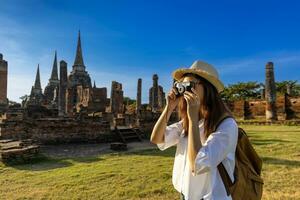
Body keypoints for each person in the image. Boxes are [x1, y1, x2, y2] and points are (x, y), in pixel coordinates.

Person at [150, 60, 238, 200]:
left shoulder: (227, 125)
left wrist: (192, 119)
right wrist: (169, 107)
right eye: (181, 85)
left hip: (211, 197)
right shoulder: (188, 121)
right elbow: (157, 139)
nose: (185, 90)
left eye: (190, 85)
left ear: (207, 88)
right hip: (185, 194)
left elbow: (197, 165)